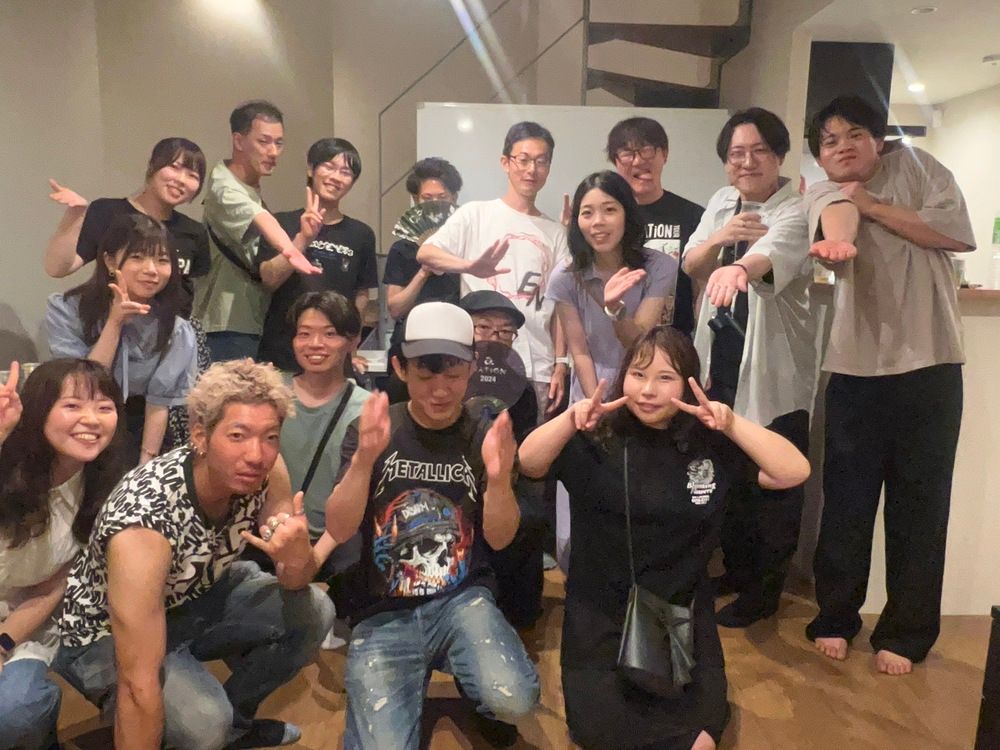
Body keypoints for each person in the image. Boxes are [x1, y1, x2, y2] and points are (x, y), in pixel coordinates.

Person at [518, 327, 810, 750]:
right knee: (605, 735)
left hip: (681, 614)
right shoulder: (598, 436)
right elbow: (529, 462)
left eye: (665, 377)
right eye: (638, 375)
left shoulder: (709, 444)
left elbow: (794, 471)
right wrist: (570, 418)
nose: (648, 390)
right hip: (600, 619)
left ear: (688, 384)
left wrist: (731, 423)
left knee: (700, 740)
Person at [55, 359, 336, 750]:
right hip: (102, 631)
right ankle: (207, 731)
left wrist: (297, 554)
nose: (256, 454)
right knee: (202, 725)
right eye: (237, 435)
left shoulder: (265, 472)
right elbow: (138, 681)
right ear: (200, 436)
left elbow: (294, 579)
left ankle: (235, 726)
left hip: (189, 595)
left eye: (270, 436)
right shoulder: (145, 520)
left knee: (314, 610)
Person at [803, 95, 975, 675]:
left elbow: (955, 234)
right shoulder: (823, 190)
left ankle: (907, 631)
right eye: (830, 141)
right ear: (819, 155)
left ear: (878, 138)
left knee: (921, 506)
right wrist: (843, 236)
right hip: (855, 369)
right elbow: (838, 219)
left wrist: (873, 204)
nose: (843, 147)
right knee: (845, 504)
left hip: (932, 364)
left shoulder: (922, 169)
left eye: (855, 134)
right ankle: (835, 616)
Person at [325, 301, 539, 749]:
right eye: (425, 375)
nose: (440, 390)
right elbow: (340, 529)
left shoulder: (484, 434)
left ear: (473, 367)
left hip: (462, 600)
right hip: (383, 609)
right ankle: (410, 680)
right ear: (400, 368)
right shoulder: (375, 429)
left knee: (514, 699)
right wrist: (363, 460)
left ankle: (472, 687)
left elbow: (500, 538)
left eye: (454, 375)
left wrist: (499, 478)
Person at [681, 108, 816, 627]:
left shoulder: (796, 209)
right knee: (729, 478)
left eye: (759, 150)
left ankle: (764, 593)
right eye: (736, 153)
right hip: (721, 365)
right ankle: (736, 572)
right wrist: (721, 239)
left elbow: (769, 257)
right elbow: (691, 263)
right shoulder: (721, 202)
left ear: (779, 155)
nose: (747, 161)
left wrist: (738, 264)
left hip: (773, 373)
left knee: (771, 484)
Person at [0, 359, 128, 750]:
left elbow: (54, 585)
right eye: (72, 405)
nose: (91, 419)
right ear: (38, 410)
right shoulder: (8, 467)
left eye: (104, 407)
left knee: (14, 714)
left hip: (26, 620)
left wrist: (3, 643)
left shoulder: (106, 487)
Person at [417, 121, 570, 423]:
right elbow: (427, 253)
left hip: (536, 365)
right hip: (479, 364)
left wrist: (560, 363)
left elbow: (560, 307)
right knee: (472, 442)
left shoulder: (556, 233)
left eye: (541, 161)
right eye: (523, 159)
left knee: (529, 446)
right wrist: (469, 266)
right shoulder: (475, 214)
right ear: (506, 162)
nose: (531, 169)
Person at [46, 214, 196, 464]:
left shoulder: (176, 329)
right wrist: (114, 323)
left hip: (141, 430)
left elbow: (158, 403)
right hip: (80, 422)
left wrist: (145, 466)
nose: (151, 270)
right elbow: (84, 383)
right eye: (137, 257)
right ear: (109, 261)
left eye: (162, 260)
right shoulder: (68, 309)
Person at [192, 100, 318, 363]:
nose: (273, 152)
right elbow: (261, 219)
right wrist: (290, 249)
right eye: (264, 142)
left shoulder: (246, 186)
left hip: (248, 320)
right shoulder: (225, 187)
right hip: (225, 324)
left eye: (279, 143)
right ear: (239, 141)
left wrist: (300, 240)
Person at [45, 137, 210, 320]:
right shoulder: (108, 212)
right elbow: (57, 269)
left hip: (170, 331)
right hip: (111, 325)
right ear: (152, 166)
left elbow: (195, 291)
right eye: (174, 167)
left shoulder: (195, 231)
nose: (181, 180)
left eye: (192, 175)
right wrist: (74, 217)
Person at [549, 170, 675, 404]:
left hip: (643, 393)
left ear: (627, 213)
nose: (598, 222)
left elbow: (638, 343)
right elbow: (580, 352)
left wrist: (615, 309)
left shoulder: (660, 266)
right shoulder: (565, 276)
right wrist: (597, 405)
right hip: (589, 395)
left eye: (609, 210)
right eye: (587, 213)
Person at [459, 290, 544, 629]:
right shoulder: (441, 373)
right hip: (447, 474)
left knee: (530, 516)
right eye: (483, 328)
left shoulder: (520, 388)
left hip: (501, 477)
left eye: (505, 332)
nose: (494, 338)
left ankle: (516, 615)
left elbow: (523, 450)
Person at [257, 138, 378, 372]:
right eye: (329, 167)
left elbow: (361, 295)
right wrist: (303, 238)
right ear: (311, 169)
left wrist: (352, 349)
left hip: (335, 356)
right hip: (282, 355)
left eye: (345, 172)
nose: (336, 177)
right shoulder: (281, 223)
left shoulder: (361, 234)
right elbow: (268, 279)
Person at [278, 291, 369, 580]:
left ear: (353, 341)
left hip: (336, 547)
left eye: (330, 334)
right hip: (272, 535)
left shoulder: (367, 408)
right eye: (304, 334)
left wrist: (312, 561)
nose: (315, 344)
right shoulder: (271, 394)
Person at [607, 117, 705, 337]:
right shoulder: (607, 218)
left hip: (675, 341)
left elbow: (700, 289)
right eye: (627, 153)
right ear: (615, 161)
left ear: (664, 154)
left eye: (647, 150)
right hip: (617, 340)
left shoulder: (693, 216)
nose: (638, 161)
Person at [384, 157, 464, 345]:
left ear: (454, 198)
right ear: (415, 200)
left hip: (456, 335)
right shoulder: (402, 249)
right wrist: (424, 271)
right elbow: (395, 309)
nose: (435, 205)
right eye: (427, 198)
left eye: (442, 197)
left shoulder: (467, 244)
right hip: (411, 337)